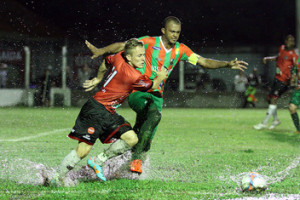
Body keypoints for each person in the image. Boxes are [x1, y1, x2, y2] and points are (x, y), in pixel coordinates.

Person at [85, 16, 248, 174]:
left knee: (145, 138)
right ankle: (135, 161)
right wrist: (101, 51)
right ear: (163, 30)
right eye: (172, 31)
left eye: (178, 32)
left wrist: (226, 64)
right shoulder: (148, 42)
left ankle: (118, 160)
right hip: (139, 92)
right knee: (155, 115)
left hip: (157, 96)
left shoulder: (181, 50)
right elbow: (122, 46)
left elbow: (203, 61)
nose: (175, 35)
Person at [49, 39, 167, 186]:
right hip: (95, 110)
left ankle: (97, 161)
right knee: (83, 150)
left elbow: (106, 62)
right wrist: (161, 77)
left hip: (108, 111)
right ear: (129, 57)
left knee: (131, 139)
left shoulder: (118, 57)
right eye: (139, 56)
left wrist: (98, 79)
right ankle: (55, 178)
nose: (143, 59)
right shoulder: (133, 76)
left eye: (143, 55)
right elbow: (154, 85)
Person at [254, 35, 298, 130]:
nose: (292, 43)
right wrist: (268, 58)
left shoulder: (293, 55)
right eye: (290, 41)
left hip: (284, 81)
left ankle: (264, 123)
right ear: (285, 41)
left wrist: (292, 79)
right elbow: (278, 58)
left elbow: (296, 68)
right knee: (269, 98)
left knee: (273, 99)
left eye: (293, 41)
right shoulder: (282, 48)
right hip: (277, 78)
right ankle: (276, 120)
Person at [289, 57, 300, 134]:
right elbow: (296, 71)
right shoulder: (298, 60)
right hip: (299, 88)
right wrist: (293, 78)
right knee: (292, 107)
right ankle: (299, 129)